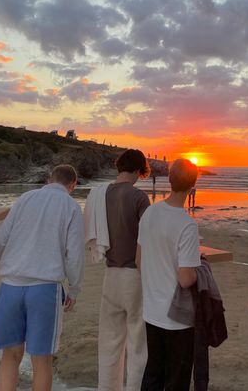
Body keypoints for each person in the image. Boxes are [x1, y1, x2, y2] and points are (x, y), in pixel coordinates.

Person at [0, 165, 85, 391]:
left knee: (10, 355)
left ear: (49, 179)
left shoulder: (25, 198)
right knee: (42, 360)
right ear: (72, 186)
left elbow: (0, 239)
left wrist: (2, 263)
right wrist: (74, 288)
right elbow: (75, 254)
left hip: (11, 285)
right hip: (44, 288)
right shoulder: (70, 206)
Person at [137, 159, 200, 391]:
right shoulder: (187, 225)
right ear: (192, 186)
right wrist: (199, 271)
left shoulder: (150, 213)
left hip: (152, 309)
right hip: (178, 316)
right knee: (177, 377)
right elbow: (186, 279)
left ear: (169, 180)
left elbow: (138, 260)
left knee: (154, 372)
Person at [97, 149, 150, 391]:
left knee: (109, 342)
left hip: (110, 273)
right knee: (138, 343)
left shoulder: (101, 194)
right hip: (134, 274)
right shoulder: (139, 197)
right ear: (139, 170)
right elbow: (148, 239)